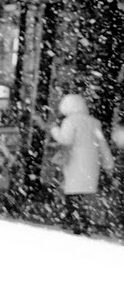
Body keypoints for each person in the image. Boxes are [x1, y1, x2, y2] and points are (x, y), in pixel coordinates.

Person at [48, 93, 115, 235]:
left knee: (72, 192)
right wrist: (108, 163)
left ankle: (76, 220)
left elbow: (65, 140)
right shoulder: (95, 123)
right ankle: (81, 220)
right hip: (92, 163)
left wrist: (54, 129)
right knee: (83, 193)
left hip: (75, 162)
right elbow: (102, 144)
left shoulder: (70, 121)